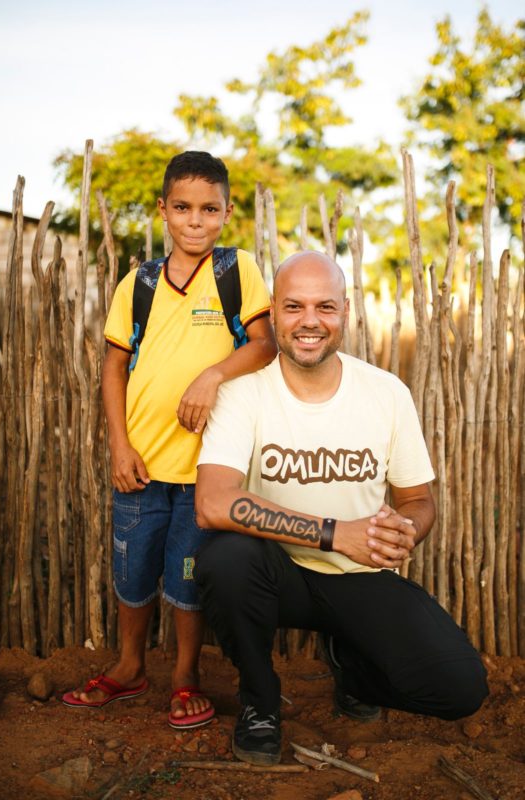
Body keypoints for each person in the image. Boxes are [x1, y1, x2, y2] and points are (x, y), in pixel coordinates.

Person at [194, 251, 488, 765]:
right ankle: (260, 702)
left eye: (324, 306)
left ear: (345, 312)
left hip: (360, 576)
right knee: (223, 559)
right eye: (294, 307)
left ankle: (353, 673)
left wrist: (406, 529)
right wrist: (334, 533)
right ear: (274, 314)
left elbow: (418, 499)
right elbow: (213, 502)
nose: (310, 321)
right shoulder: (243, 395)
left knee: (461, 689)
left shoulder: (385, 393)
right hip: (276, 573)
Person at [62, 151, 277, 728]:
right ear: (163, 211)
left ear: (227, 214)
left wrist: (211, 376)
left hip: (206, 472)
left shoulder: (237, 272)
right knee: (133, 573)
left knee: (186, 578)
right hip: (142, 465)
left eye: (209, 209)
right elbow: (113, 368)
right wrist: (119, 447)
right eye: (182, 208)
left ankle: (185, 675)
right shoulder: (141, 283)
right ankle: (130, 667)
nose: (195, 220)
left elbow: (264, 345)